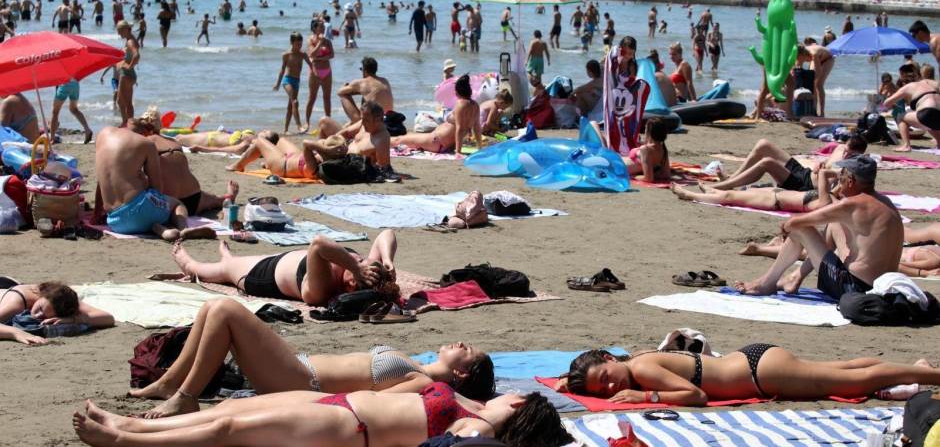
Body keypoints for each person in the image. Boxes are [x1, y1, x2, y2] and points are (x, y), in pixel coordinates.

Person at [127, 298, 495, 419]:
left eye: (467, 350)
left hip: (302, 382)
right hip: (296, 367)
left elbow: (370, 403)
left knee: (225, 310)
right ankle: (170, 383)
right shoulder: (417, 365)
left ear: (463, 373)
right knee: (212, 307)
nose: (461, 342)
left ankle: (186, 396)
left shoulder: (422, 382)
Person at [73, 381, 568, 447]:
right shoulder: (474, 407)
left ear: (519, 405)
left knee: (229, 428)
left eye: (515, 395)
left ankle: (124, 442)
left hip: (351, 426)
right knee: (228, 406)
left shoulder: (477, 429)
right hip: (341, 402)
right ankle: (129, 422)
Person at [735, 155, 903, 299]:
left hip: (853, 288)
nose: (839, 180)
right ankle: (795, 277)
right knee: (834, 224)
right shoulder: (885, 203)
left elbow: (796, 222)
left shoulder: (852, 205)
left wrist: (785, 229)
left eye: (842, 176)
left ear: (851, 181)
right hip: (883, 287)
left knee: (799, 229)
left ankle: (767, 283)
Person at [559, 345, 940, 406]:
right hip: (755, 361)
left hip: (761, 373)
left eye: (605, 376)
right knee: (846, 369)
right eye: (602, 389)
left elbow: (695, 396)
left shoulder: (642, 370)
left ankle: (933, 375)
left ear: (609, 357)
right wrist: (569, 380)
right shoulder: (637, 359)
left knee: (857, 381)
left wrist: (645, 397)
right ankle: (919, 370)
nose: (612, 386)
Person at [171, 229, 398, 305]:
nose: (359, 259)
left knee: (224, 270)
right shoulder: (363, 273)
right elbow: (386, 234)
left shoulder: (322, 288)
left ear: (350, 284)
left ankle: (188, 264)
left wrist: (356, 267)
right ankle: (229, 256)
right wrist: (388, 260)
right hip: (286, 259)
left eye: (360, 263)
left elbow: (318, 243)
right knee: (234, 260)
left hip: (261, 275)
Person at [92, 125, 214, 240]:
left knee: (148, 216)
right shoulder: (146, 143)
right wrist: (144, 182)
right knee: (176, 204)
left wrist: (96, 213)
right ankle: (183, 228)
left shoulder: (103, 135)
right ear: (144, 133)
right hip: (140, 211)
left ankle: (162, 231)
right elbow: (157, 189)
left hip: (116, 223)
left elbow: (101, 181)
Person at [128, 112, 238, 217]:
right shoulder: (173, 141)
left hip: (170, 202)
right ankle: (227, 197)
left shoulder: (146, 143)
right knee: (214, 199)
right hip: (194, 197)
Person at [708, 135, 867, 192]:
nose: (846, 155)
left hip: (803, 185)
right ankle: (730, 178)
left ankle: (725, 186)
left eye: (850, 155)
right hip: (805, 172)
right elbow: (827, 161)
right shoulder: (840, 148)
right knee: (763, 144)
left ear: (859, 155)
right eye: (846, 151)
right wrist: (821, 163)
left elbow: (837, 191)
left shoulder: (855, 166)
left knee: (767, 162)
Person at [672, 162, 839, 214]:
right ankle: (713, 190)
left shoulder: (826, 202)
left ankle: (689, 195)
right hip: (780, 193)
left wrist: (837, 173)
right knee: (736, 193)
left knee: (730, 197)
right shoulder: (833, 197)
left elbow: (823, 174)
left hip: (775, 201)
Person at [0, 281, 113, 346]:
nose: (37, 315)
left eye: (44, 316)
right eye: (40, 308)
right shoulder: (16, 302)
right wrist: (16, 333)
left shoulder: (63, 298)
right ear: (42, 295)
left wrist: (72, 319)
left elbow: (108, 318)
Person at [392, 74, 481, 154]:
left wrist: (458, 151)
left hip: (436, 141)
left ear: (457, 92)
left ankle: (382, 141)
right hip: (445, 144)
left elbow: (460, 128)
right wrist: (479, 147)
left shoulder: (461, 104)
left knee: (398, 139)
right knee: (407, 138)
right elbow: (477, 127)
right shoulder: (475, 105)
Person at [307, 100, 392, 171]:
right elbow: (346, 132)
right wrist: (334, 144)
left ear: (378, 120)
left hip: (347, 162)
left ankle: (319, 157)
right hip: (342, 148)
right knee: (324, 121)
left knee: (308, 153)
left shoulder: (382, 139)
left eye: (366, 120)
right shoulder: (363, 123)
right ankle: (320, 152)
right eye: (362, 119)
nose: (362, 123)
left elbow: (383, 168)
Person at [884, 64, 940, 151]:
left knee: (900, 117)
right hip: (936, 116)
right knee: (929, 120)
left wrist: (894, 104)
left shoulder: (910, 86)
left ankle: (906, 145)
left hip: (927, 114)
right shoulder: (934, 84)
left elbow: (886, 103)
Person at [225, 131, 317, 179]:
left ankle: (238, 165)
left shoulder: (316, 167)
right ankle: (268, 158)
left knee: (259, 141)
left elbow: (306, 144)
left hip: (283, 165)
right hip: (297, 158)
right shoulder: (322, 157)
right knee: (281, 140)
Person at [274, 32, 312, 134]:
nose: (299, 46)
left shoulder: (302, 54)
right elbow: (282, 70)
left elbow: (311, 65)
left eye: (301, 44)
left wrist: (316, 75)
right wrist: (277, 84)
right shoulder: (286, 55)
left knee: (291, 106)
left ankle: (286, 130)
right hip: (287, 80)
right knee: (295, 102)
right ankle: (299, 126)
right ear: (292, 42)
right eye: (297, 44)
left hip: (297, 81)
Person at [337, 56, 394, 123]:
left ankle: (358, 121)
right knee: (366, 98)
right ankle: (356, 122)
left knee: (344, 96)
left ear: (365, 70)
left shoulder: (362, 82)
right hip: (389, 119)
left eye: (361, 69)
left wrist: (346, 87)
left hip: (373, 122)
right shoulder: (385, 81)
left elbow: (339, 92)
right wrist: (359, 92)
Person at [303, 22, 334, 125]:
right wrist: (320, 42)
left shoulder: (327, 41)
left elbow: (332, 55)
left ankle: (328, 121)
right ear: (315, 28)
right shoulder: (311, 40)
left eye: (323, 27)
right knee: (312, 97)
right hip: (315, 71)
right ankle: (307, 122)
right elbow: (312, 54)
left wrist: (320, 58)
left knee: (327, 97)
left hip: (327, 71)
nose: (323, 29)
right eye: (321, 27)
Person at [623, 118, 670, 182]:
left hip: (618, 169)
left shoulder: (646, 149)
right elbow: (666, 174)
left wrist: (633, 176)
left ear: (648, 131)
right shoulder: (662, 148)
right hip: (620, 165)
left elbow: (648, 178)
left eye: (645, 128)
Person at [796, 39, 835, 117]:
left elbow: (818, 73)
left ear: (802, 55)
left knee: (818, 84)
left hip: (828, 58)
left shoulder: (813, 54)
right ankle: (813, 110)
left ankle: (821, 112)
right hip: (818, 56)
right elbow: (797, 69)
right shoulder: (799, 54)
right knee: (811, 84)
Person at [50, 80, 93, 144]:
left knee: (55, 112)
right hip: (75, 84)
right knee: (74, 109)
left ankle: (52, 139)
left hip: (64, 84)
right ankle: (87, 129)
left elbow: (57, 80)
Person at [116, 20, 140, 122]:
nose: (119, 33)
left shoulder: (130, 41)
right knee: (126, 102)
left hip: (126, 74)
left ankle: (127, 123)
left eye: (120, 31)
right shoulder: (131, 39)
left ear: (126, 29)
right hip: (128, 74)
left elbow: (136, 55)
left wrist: (129, 66)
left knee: (122, 102)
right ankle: (128, 123)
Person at [173, 129, 257, 155]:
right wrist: (228, 131)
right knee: (178, 137)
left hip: (208, 141)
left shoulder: (249, 144)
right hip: (214, 134)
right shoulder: (253, 135)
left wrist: (201, 149)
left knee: (178, 138)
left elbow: (233, 150)